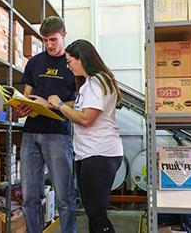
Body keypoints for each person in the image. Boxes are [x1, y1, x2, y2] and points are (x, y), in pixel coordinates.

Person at [48, 39, 123, 233]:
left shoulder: (97, 81)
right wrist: (49, 104)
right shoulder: (90, 82)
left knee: (96, 214)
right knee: (94, 213)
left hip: (99, 153)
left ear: (82, 59)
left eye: (70, 61)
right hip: (91, 153)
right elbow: (81, 106)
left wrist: (59, 105)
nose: (68, 66)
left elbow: (86, 118)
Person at [16, 16, 76, 233]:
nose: (49, 45)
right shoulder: (34, 63)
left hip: (58, 135)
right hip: (31, 135)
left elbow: (78, 103)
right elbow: (26, 96)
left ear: (64, 35)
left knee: (65, 196)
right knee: (30, 196)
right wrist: (21, 107)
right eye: (45, 40)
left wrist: (54, 105)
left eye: (53, 39)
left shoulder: (72, 64)